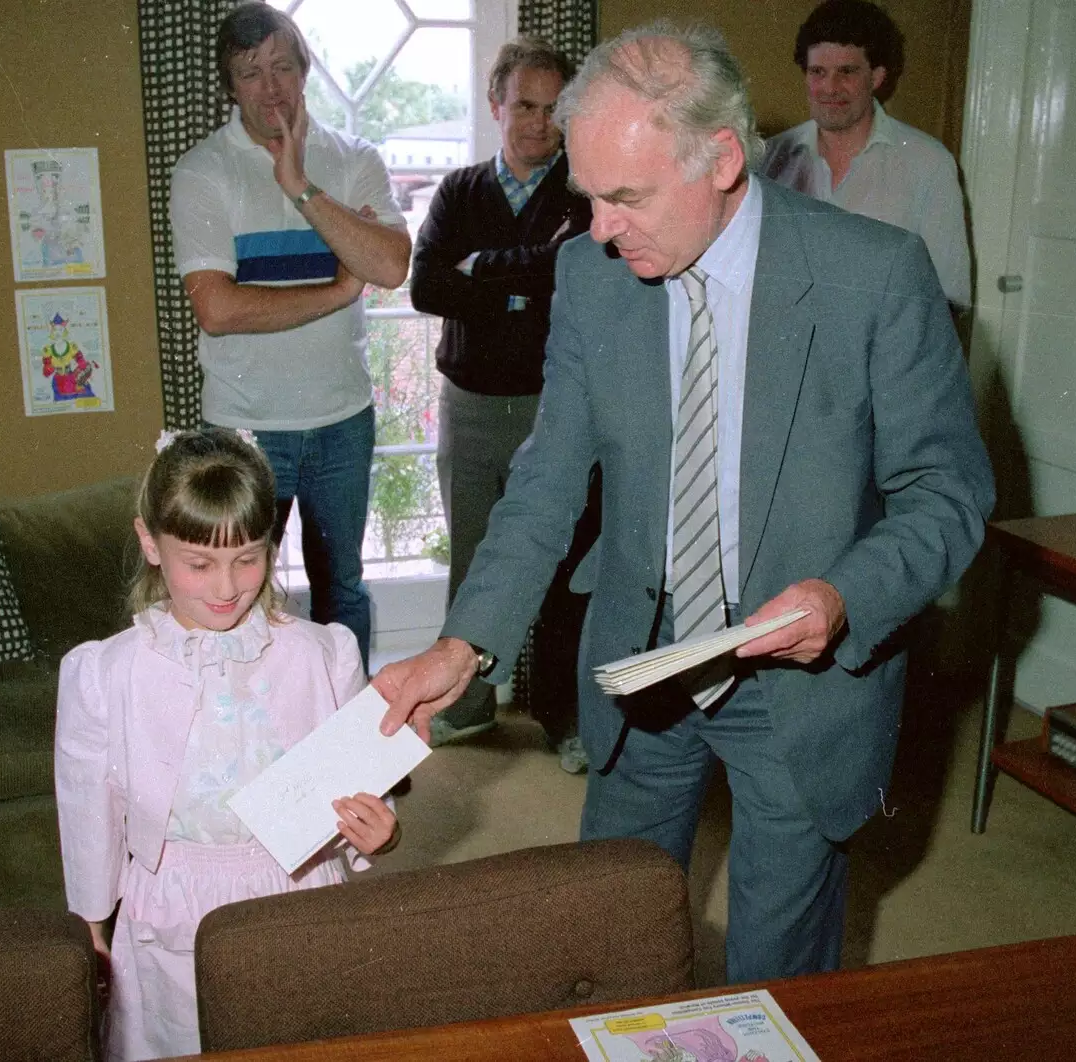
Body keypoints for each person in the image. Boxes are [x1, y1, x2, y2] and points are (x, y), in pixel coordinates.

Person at [376, 21, 994, 982]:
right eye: (590, 197)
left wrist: (842, 596)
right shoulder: (591, 275)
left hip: (804, 683)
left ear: (721, 158)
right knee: (613, 939)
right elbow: (547, 478)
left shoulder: (875, 274)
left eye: (625, 198)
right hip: (643, 660)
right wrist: (464, 645)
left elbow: (950, 492)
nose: (599, 229)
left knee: (775, 973)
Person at [55, 428, 400, 1062]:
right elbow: (88, 810)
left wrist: (378, 832)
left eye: (248, 557)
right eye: (199, 562)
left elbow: (361, 789)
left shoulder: (325, 654)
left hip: (299, 894)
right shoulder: (105, 672)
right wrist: (91, 928)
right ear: (149, 544)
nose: (226, 586)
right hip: (173, 906)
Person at [170, 2, 412, 671]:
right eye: (250, 73)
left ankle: (357, 750)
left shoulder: (354, 158)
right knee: (237, 596)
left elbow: (390, 264)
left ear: (305, 72)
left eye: (281, 66)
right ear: (230, 85)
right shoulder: (203, 171)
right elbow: (217, 309)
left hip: (342, 420)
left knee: (344, 591)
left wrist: (302, 188)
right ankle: (254, 751)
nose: (269, 86)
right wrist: (337, 290)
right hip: (246, 427)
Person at [408, 36, 596, 766]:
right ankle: (472, 704)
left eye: (553, 109)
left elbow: (574, 269)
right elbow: (427, 286)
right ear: (496, 105)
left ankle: (560, 714)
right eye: (524, 104)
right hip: (472, 407)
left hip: (554, 409)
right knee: (473, 560)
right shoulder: (458, 190)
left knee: (559, 566)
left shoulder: (582, 193)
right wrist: (524, 288)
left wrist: (485, 269)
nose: (537, 122)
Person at [760, 0, 971, 312]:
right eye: (818, 72)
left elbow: (948, 297)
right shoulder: (770, 158)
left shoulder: (928, 164)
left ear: (876, 77)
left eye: (847, 72)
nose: (830, 88)